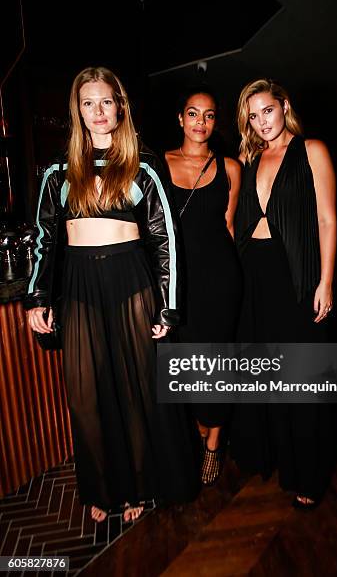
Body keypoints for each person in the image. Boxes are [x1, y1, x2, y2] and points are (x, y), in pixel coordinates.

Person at [25, 66, 199, 523]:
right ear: (77, 111)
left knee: (134, 391)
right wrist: (37, 297)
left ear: (120, 107)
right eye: (88, 103)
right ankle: (102, 487)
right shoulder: (57, 173)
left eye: (106, 101)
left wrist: (169, 303)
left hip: (132, 282)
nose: (98, 111)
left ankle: (139, 487)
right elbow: (45, 240)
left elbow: (166, 239)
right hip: (79, 286)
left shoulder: (143, 167)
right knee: (85, 396)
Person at [231, 78, 337, 508]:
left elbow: (328, 221)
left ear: (284, 105)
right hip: (252, 275)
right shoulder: (248, 157)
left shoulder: (312, 151)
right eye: (252, 117)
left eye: (267, 111)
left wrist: (325, 281)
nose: (261, 122)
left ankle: (308, 475)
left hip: (295, 275)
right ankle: (273, 457)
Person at [165, 86, 242, 485]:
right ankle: (197, 432)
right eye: (193, 114)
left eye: (209, 115)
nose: (200, 122)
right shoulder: (158, 165)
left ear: (216, 122)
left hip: (220, 282)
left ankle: (213, 442)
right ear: (180, 118)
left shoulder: (230, 167)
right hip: (178, 285)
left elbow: (229, 228)